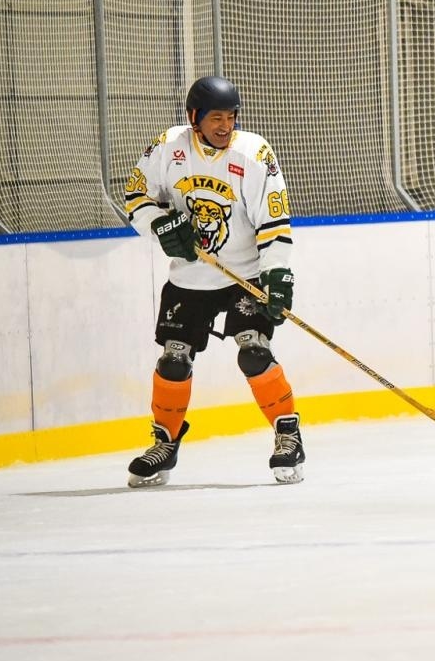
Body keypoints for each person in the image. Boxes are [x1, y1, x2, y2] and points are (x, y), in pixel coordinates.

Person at [121, 75, 303, 486]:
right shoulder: (168, 147)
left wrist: (278, 274)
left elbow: (273, 222)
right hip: (190, 277)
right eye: (216, 117)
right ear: (194, 118)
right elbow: (135, 198)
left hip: (245, 274)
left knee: (253, 352)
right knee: (173, 360)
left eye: (231, 117)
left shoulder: (253, 152)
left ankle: (288, 434)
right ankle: (164, 442)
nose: (225, 125)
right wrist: (160, 226)